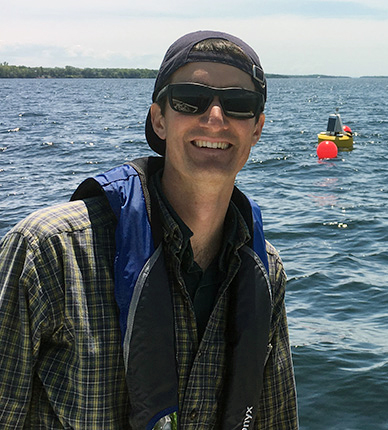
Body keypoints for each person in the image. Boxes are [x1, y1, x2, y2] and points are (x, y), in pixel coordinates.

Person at [0, 31, 298, 429]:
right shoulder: (48, 252)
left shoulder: (265, 270)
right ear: (159, 119)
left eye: (238, 105)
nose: (215, 117)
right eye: (190, 99)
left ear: (257, 128)